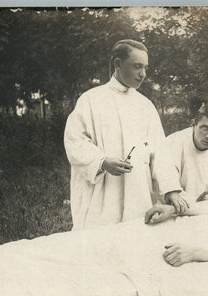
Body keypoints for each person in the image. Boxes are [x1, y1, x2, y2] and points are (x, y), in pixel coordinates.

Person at [64, 39, 165, 229]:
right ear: (118, 64)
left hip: (138, 191)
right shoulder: (91, 100)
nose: (143, 74)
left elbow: (161, 152)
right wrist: (101, 161)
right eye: (137, 67)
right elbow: (74, 142)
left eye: (145, 68)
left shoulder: (146, 106)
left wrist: (167, 191)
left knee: (134, 239)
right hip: (103, 191)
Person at [153, 104, 208, 214]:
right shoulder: (173, 142)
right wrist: (172, 193)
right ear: (194, 124)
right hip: (173, 210)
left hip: (205, 211)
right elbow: (167, 182)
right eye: (205, 128)